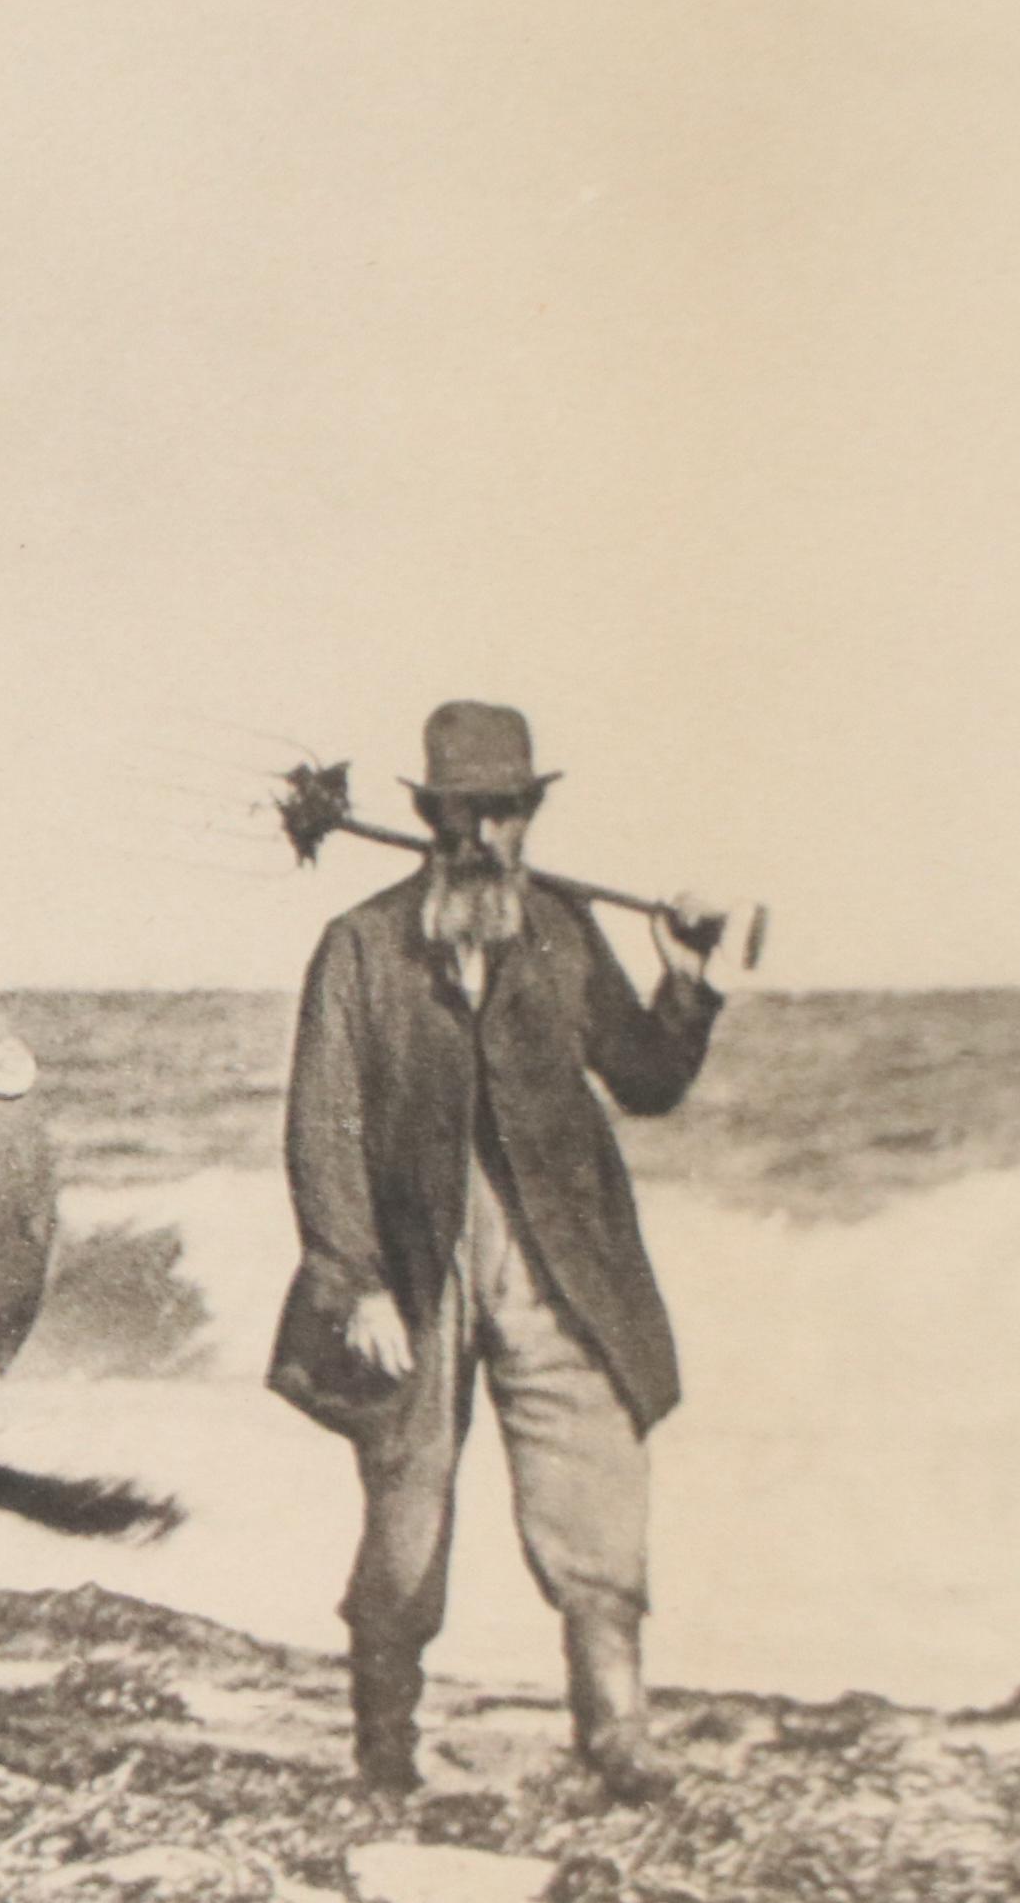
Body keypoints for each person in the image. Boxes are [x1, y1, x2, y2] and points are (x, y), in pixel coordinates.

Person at [268, 700, 727, 1805]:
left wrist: (690, 979)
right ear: (428, 817)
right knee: (407, 1519)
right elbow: (321, 1124)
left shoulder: (566, 932)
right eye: (461, 811)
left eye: (504, 811)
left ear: (530, 815)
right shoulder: (362, 947)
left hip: (559, 1257)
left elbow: (649, 1081)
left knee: (596, 1491)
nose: (482, 833)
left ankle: (617, 1736)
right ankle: (384, 1753)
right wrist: (352, 1277)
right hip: (414, 1272)